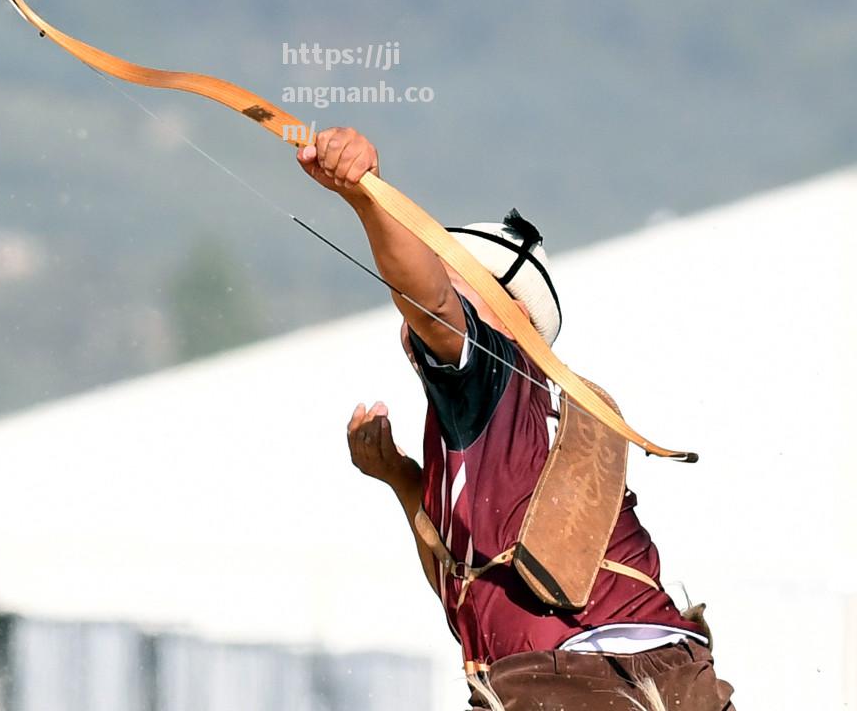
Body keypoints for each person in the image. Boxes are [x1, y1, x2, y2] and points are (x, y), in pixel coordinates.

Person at [297, 127, 735, 711]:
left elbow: (429, 305)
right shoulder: (537, 412)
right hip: (673, 682)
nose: (425, 298)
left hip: (580, 683)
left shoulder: (494, 370)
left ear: (511, 312)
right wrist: (402, 479)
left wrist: (362, 196)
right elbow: (475, 590)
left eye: (454, 279)